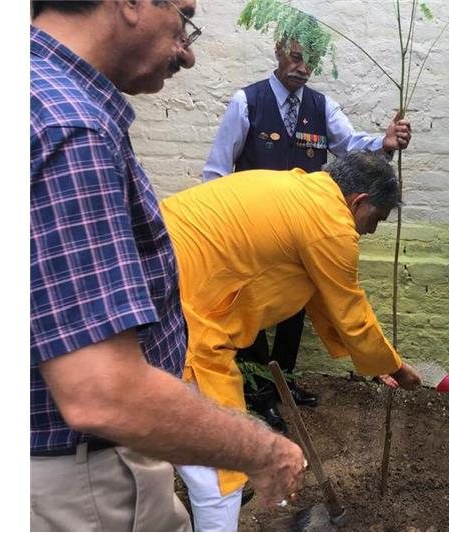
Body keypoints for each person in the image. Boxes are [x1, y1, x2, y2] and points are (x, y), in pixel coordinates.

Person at [30, 2, 305, 530]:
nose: (190, 52)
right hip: (84, 481)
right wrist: (265, 450)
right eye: (183, 18)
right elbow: (104, 394)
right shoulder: (74, 127)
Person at [160, 151, 422, 531]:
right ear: (358, 201)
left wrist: (374, 364)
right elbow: (350, 310)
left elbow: (321, 296)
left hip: (153, 281)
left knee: (146, 435)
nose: (370, 231)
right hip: (178, 309)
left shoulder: (302, 191)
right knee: (222, 464)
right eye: (375, 220)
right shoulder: (331, 224)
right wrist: (395, 366)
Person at [201, 34, 412, 432]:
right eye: (296, 58)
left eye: (309, 62)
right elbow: (216, 170)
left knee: (295, 312)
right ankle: (260, 396)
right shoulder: (246, 102)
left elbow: (350, 146)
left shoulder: (321, 106)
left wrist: (383, 144)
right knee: (251, 314)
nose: (302, 67)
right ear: (279, 52)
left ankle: (285, 384)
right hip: (253, 237)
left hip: (303, 236)